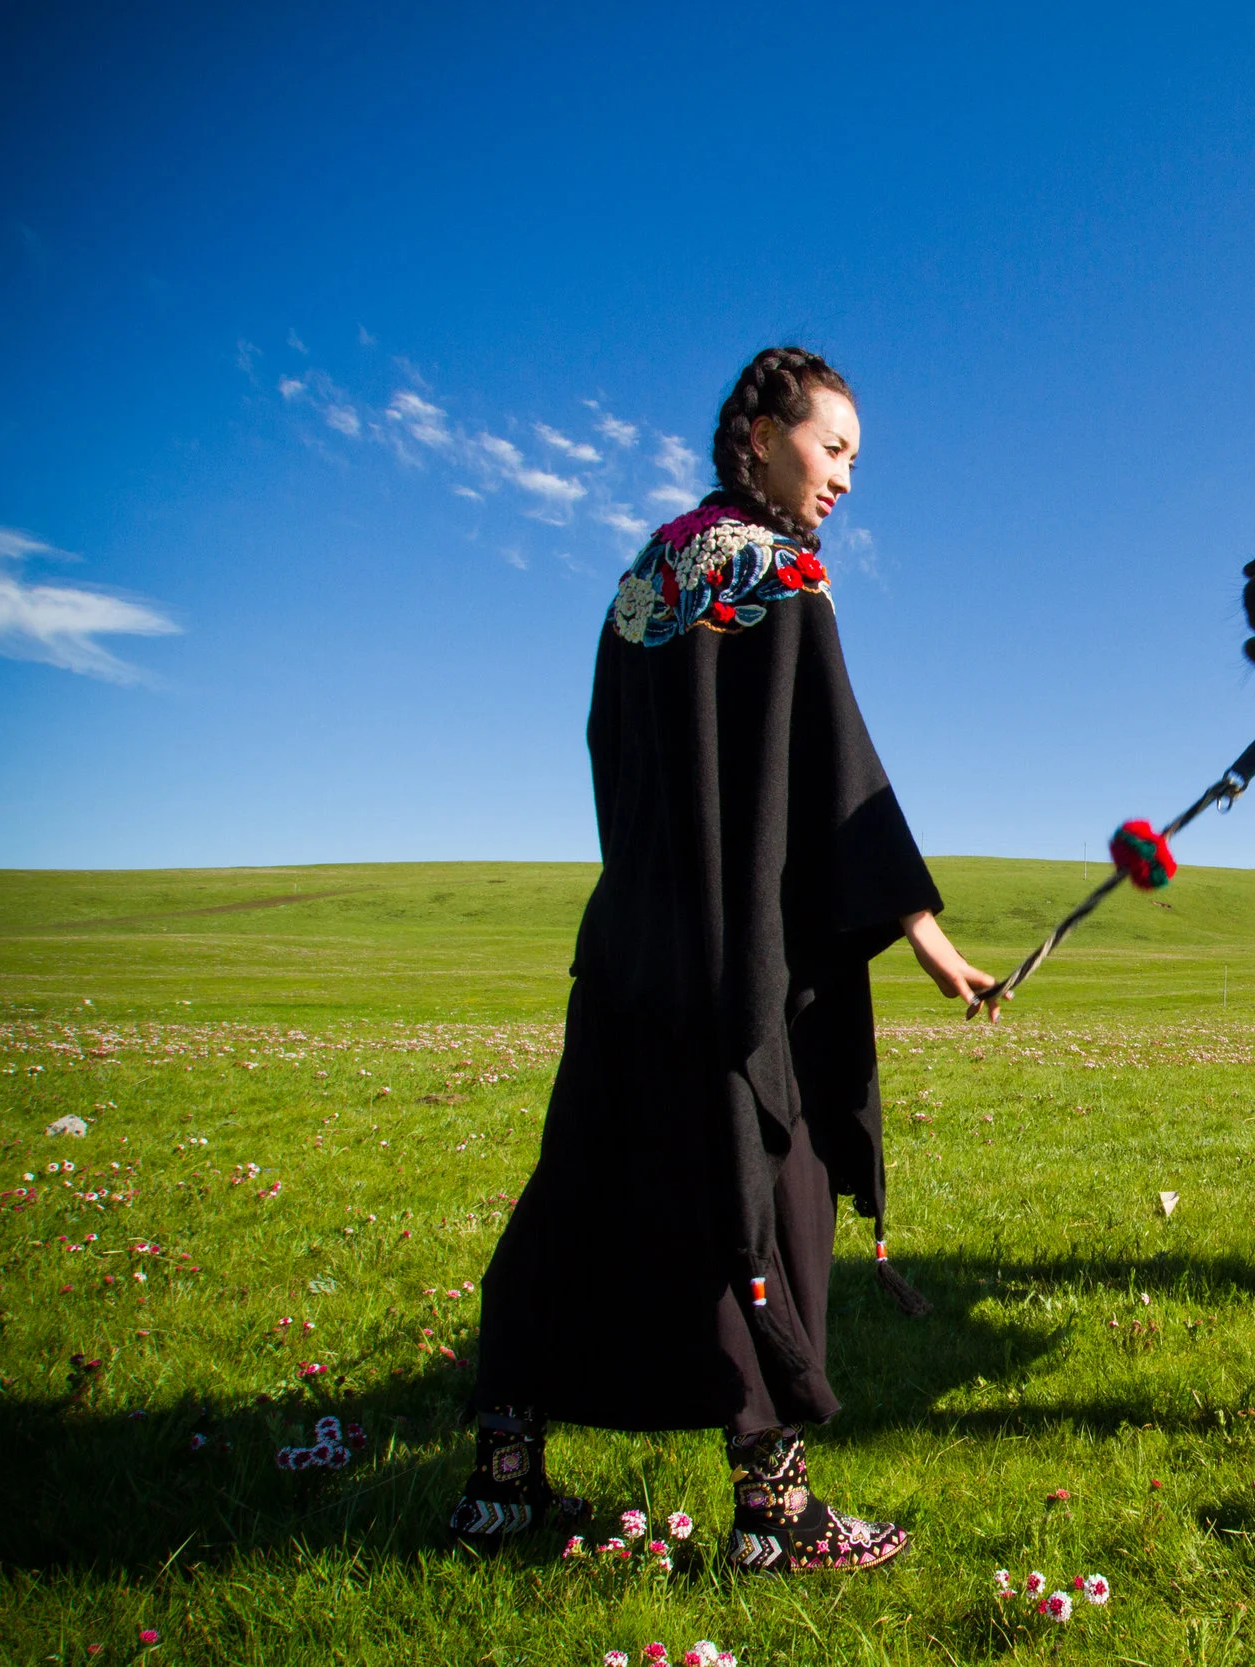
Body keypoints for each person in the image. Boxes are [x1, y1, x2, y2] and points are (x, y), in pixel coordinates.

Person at [445, 346, 999, 1572]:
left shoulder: (646, 575)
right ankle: (775, 1516)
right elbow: (833, 768)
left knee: (586, 1193)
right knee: (769, 1197)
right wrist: (922, 932)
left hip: (635, 940)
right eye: (834, 447)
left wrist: (657, 885)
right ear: (757, 434)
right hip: (744, 960)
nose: (847, 478)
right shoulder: (782, 571)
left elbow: (610, 748)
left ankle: (501, 1487)